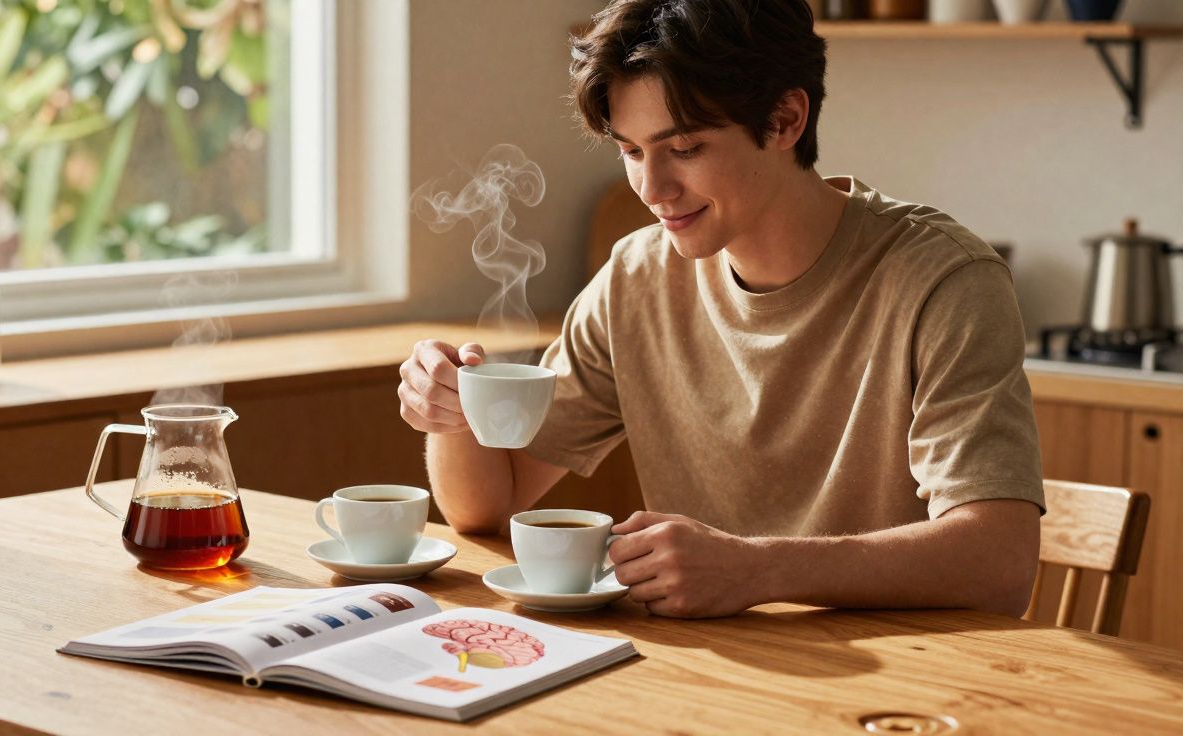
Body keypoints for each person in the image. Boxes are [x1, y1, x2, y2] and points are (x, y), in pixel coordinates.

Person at [397, 0, 1044, 619]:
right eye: (630, 150)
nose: (652, 188)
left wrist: (759, 569)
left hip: (900, 692)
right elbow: (488, 506)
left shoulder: (944, 280)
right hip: (711, 677)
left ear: (786, 120)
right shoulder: (635, 278)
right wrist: (451, 410)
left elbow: (1000, 563)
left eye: (684, 149)